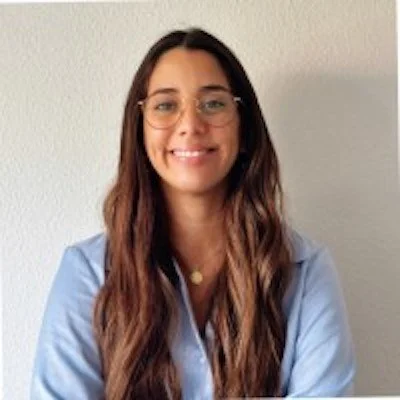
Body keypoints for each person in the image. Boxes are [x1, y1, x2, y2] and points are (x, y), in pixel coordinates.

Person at [31, 28, 355, 399]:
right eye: (166, 105)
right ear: (139, 132)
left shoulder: (307, 271)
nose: (190, 125)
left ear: (244, 127)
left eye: (213, 103)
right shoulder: (87, 272)